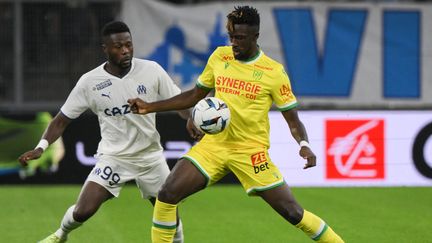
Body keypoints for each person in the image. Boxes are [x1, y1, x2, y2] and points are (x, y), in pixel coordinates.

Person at [127, 6, 344, 243]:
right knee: (167, 194)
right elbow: (194, 95)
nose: (234, 43)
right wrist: (150, 106)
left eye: (239, 38)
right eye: (231, 37)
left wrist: (303, 144)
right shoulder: (220, 57)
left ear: (255, 36)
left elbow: (293, 120)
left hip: (250, 152)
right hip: (214, 146)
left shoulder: (273, 72)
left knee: (292, 212)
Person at [18, 21, 189, 243]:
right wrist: (41, 147)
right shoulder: (90, 82)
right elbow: (60, 120)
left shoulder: (152, 70)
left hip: (150, 158)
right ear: (105, 49)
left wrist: (191, 119)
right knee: (83, 211)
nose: (126, 50)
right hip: (114, 158)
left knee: (168, 215)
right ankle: (61, 235)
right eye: (119, 46)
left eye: (129, 44)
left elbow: (178, 102)